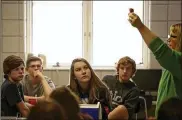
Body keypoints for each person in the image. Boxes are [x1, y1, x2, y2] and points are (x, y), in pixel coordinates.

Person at [128, 8, 182, 117]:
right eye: (169, 36)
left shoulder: (179, 61)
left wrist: (140, 26)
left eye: (173, 36)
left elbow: (160, 50)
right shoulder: (171, 64)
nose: (168, 40)